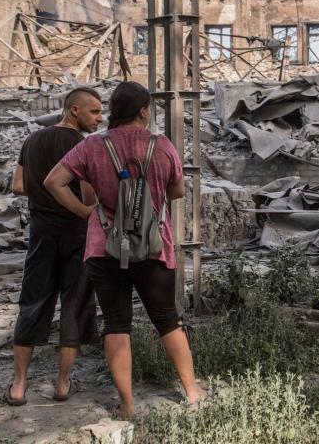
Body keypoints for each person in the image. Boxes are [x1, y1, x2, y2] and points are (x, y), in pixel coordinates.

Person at [44, 81, 205, 418]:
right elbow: (176, 191)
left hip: (105, 248)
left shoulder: (92, 146)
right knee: (167, 320)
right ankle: (192, 391)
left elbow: (52, 182)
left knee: (117, 324)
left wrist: (84, 211)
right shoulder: (161, 145)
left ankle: (127, 405)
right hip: (153, 247)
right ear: (144, 110)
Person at [7, 87, 103, 405]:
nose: (99, 119)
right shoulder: (84, 145)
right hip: (77, 234)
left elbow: (18, 185)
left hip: (41, 233)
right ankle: (62, 384)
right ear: (74, 110)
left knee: (33, 303)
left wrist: (44, 196)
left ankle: (18, 385)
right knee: (75, 306)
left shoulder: (33, 140)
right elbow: (89, 196)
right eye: (94, 112)